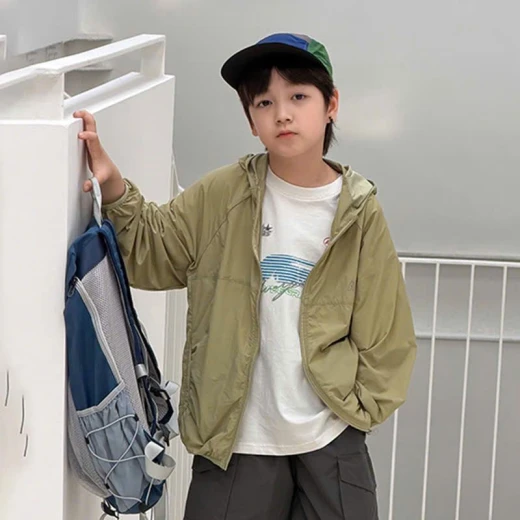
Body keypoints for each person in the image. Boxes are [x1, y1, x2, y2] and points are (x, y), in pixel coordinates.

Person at [74, 32, 416, 520]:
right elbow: (156, 249)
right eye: (264, 102)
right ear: (251, 120)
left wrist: (357, 409)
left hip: (331, 438)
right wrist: (112, 186)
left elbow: (387, 332)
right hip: (237, 442)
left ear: (331, 105)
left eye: (299, 96)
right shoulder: (224, 193)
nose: (283, 114)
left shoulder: (359, 212)